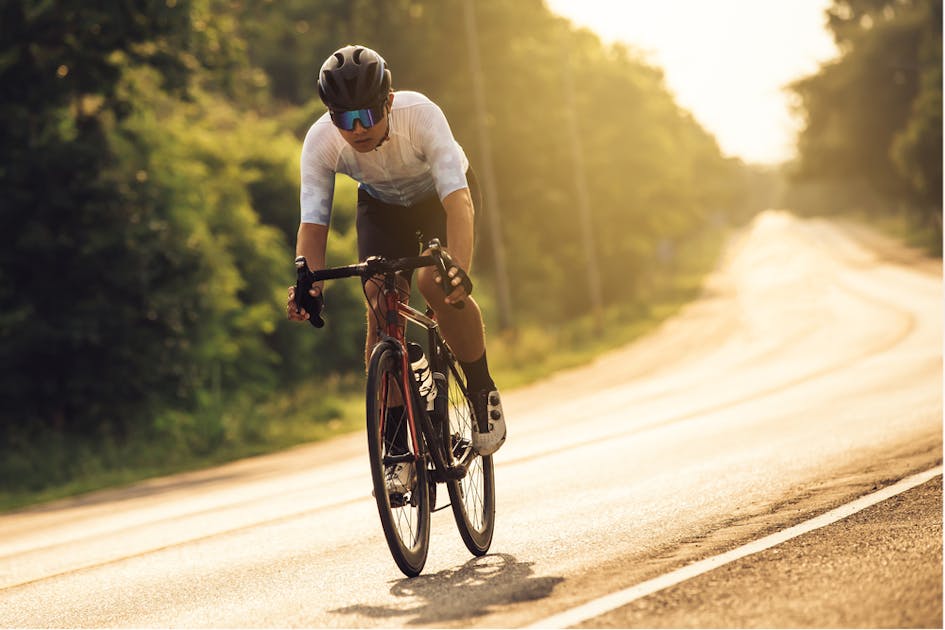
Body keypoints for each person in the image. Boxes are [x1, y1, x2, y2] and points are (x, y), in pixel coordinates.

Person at [286, 44, 506, 491]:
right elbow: (313, 224)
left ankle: (482, 391)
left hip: (440, 199)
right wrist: (308, 284)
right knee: (380, 301)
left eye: (367, 115)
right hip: (382, 206)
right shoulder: (321, 142)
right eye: (344, 119)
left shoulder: (421, 115)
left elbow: (458, 203)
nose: (358, 129)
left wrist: (457, 270)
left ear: (388, 102)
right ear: (331, 117)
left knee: (434, 282)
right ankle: (396, 448)